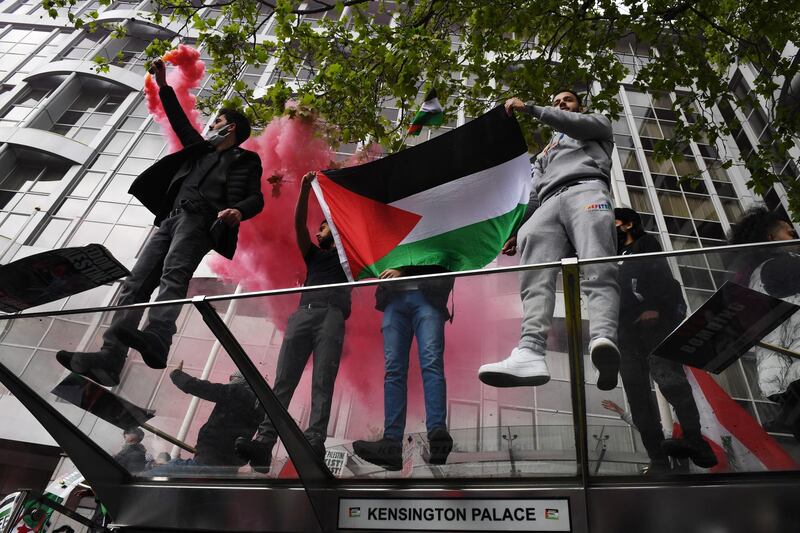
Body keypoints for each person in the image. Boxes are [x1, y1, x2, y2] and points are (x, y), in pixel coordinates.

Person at [56, 58, 263, 386]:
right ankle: (111, 356)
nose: (212, 126)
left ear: (232, 127)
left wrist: (238, 210)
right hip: (169, 220)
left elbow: (256, 198)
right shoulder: (199, 151)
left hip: (200, 220)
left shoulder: (246, 159)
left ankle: (158, 337)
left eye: (218, 121)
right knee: (135, 283)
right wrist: (163, 83)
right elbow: (179, 120)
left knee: (173, 275)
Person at [478, 90, 620, 390]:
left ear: (578, 105)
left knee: (598, 264)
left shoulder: (596, 124)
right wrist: (517, 229)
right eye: (555, 102)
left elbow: (572, 123)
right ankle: (530, 350)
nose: (559, 104)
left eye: (566, 100)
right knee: (534, 277)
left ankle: (603, 339)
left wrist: (530, 107)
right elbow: (531, 193)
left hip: (587, 190)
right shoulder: (545, 152)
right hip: (547, 204)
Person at [235, 172, 351, 473]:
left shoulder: (351, 259)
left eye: (325, 227)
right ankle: (264, 441)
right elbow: (298, 224)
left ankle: (315, 440)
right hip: (303, 315)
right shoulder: (313, 256)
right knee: (283, 381)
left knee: (322, 381)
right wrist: (303, 190)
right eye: (320, 227)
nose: (319, 230)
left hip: (331, 316)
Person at [614, 207, 716, 470]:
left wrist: (655, 308)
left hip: (652, 323)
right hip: (625, 331)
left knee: (669, 380)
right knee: (636, 394)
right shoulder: (611, 255)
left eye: (612, 222)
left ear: (627, 224)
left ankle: (695, 440)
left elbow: (661, 277)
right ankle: (657, 457)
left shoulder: (645, 243)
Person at [352, 267, 454, 471]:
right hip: (396, 298)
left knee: (428, 364)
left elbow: (441, 252)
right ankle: (394, 442)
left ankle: (435, 434)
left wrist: (404, 272)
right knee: (397, 371)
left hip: (427, 294)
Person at [728, 206, 800, 440]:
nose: (796, 238)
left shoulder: (757, 276)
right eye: (790, 233)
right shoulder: (779, 267)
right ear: (771, 238)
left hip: (784, 377)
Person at [161, 361, 261, 474]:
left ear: (243, 381)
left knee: (155, 474)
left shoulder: (238, 392)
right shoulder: (258, 407)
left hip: (211, 457)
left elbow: (204, 388)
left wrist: (176, 375)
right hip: (229, 466)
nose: (231, 382)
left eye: (234, 379)